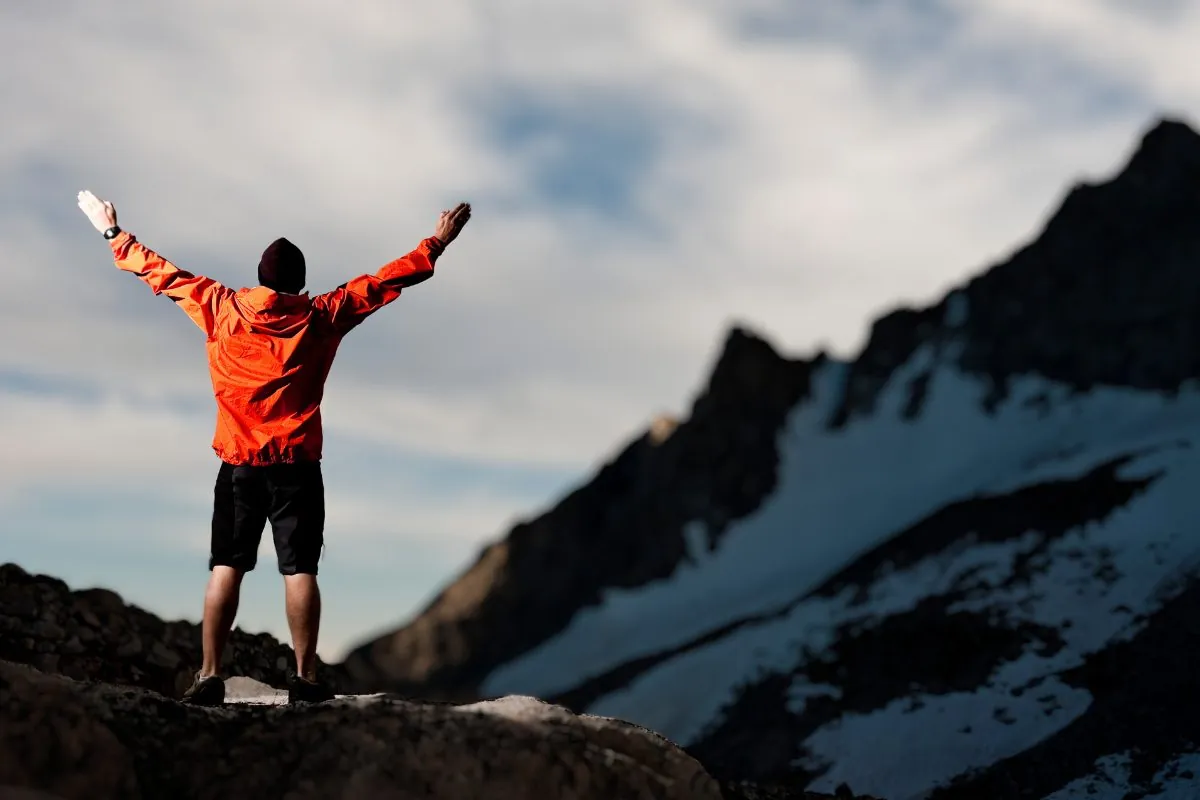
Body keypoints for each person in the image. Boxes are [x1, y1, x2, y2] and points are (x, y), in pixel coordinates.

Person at [76, 189, 471, 705]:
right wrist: (436, 244)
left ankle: (210, 675)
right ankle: (305, 680)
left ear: (260, 277)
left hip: (238, 464)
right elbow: (380, 284)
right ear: (300, 282)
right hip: (298, 466)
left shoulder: (220, 306)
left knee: (226, 567)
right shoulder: (322, 315)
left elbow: (160, 272)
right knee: (300, 570)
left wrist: (112, 231)